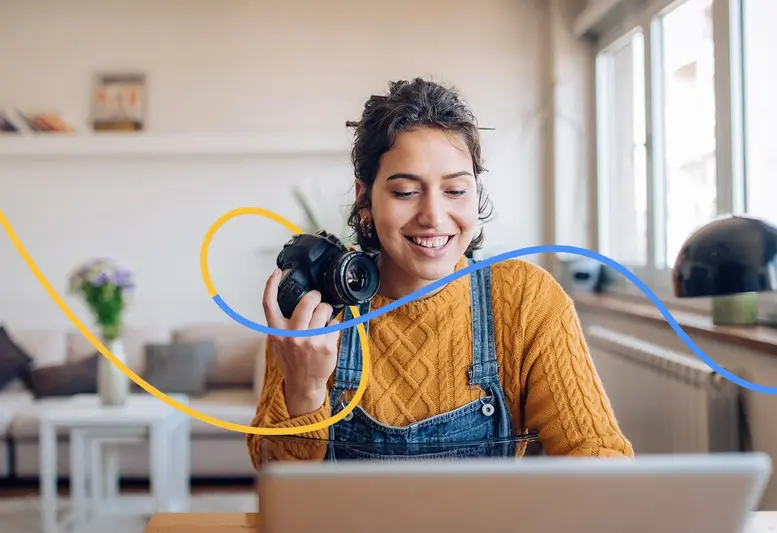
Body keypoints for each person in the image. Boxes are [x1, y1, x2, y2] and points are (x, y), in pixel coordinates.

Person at [246, 77, 633, 466]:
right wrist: (305, 389)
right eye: (405, 192)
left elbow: (601, 460)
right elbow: (277, 483)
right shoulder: (317, 303)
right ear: (365, 199)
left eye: (455, 191)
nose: (433, 216)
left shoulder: (526, 301)